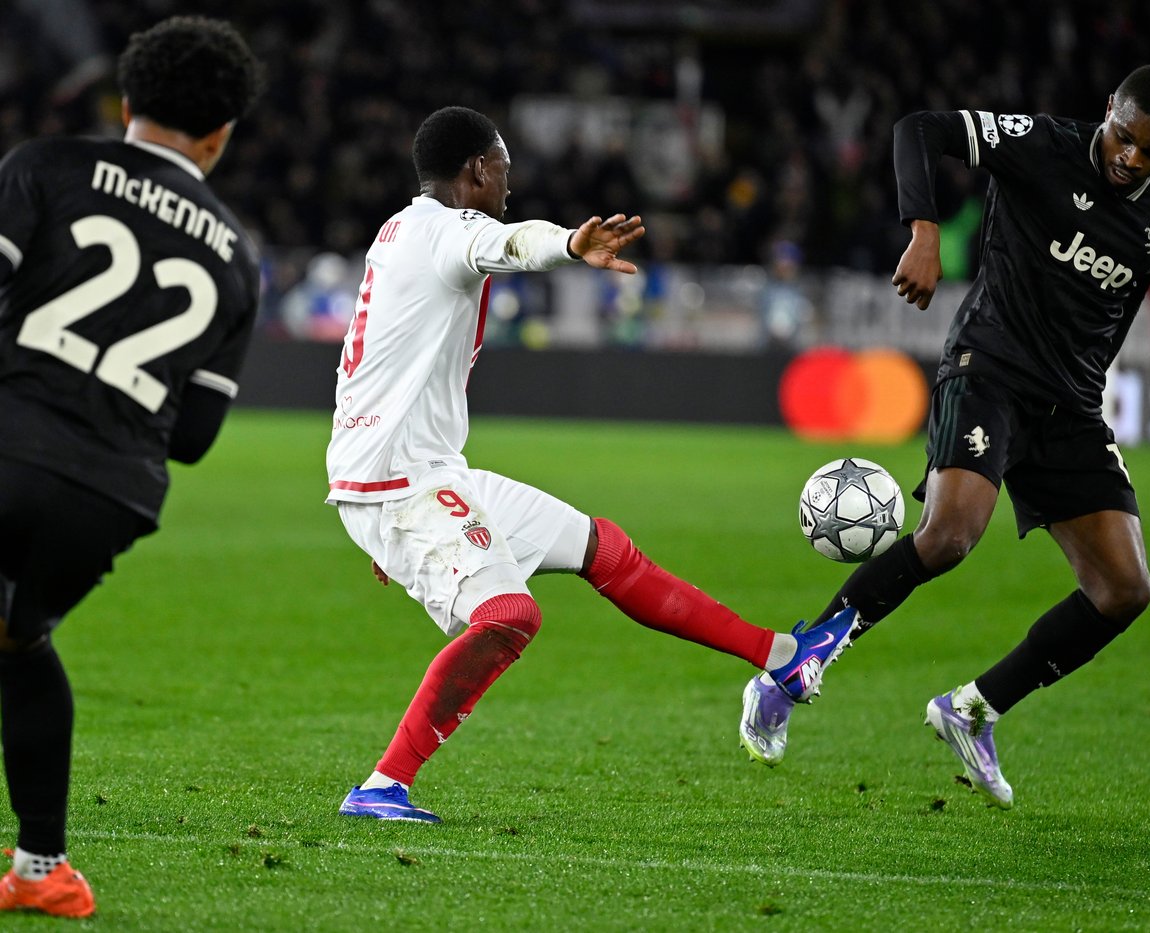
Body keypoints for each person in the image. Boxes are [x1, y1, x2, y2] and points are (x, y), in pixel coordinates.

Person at [327, 106, 856, 824]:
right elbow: (514, 243)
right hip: (403, 479)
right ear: (477, 169)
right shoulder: (449, 233)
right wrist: (572, 246)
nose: (509, 182)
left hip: (414, 469)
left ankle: (783, 656)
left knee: (604, 548)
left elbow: (370, 362)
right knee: (509, 614)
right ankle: (383, 785)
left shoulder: (401, 231)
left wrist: (371, 488)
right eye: (504, 167)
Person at [739, 66, 1150, 809]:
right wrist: (923, 233)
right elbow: (917, 128)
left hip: (1071, 405)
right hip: (988, 366)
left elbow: (1126, 300)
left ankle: (974, 708)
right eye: (1124, 137)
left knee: (1124, 589)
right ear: (1108, 109)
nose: (1132, 160)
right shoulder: (1044, 145)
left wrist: (1091, 386)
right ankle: (791, 667)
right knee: (950, 533)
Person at [0, 16, 262, 918]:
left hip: (9, 436)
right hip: (110, 494)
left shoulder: (47, 166)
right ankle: (43, 872)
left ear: (124, 104)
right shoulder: (237, 254)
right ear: (221, 136)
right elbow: (193, 435)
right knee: (18, 638)